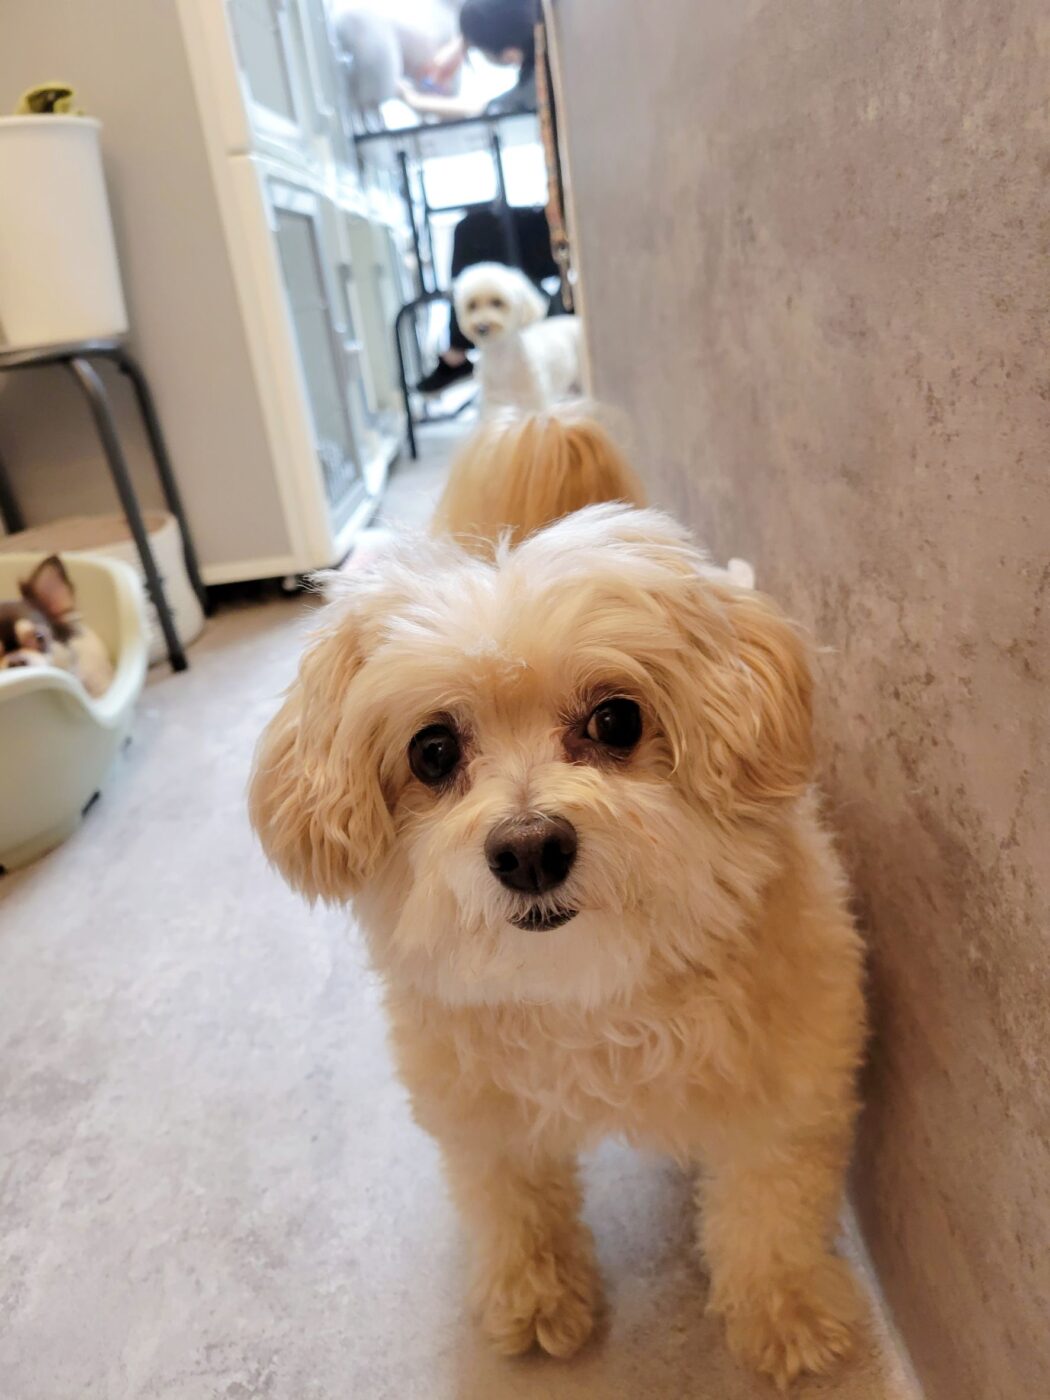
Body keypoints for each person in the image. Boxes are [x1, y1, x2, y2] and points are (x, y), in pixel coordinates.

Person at [399, 0, 560, 395]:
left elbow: (487, 109)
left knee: (475, 229)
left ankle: (455, 352)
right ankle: (456, 351)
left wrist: (417, 100)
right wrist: (465, 42)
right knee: (477, 224)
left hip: (561, 225)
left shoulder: (543, 65)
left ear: (507, 50)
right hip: (555, 213)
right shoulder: (542, 53)